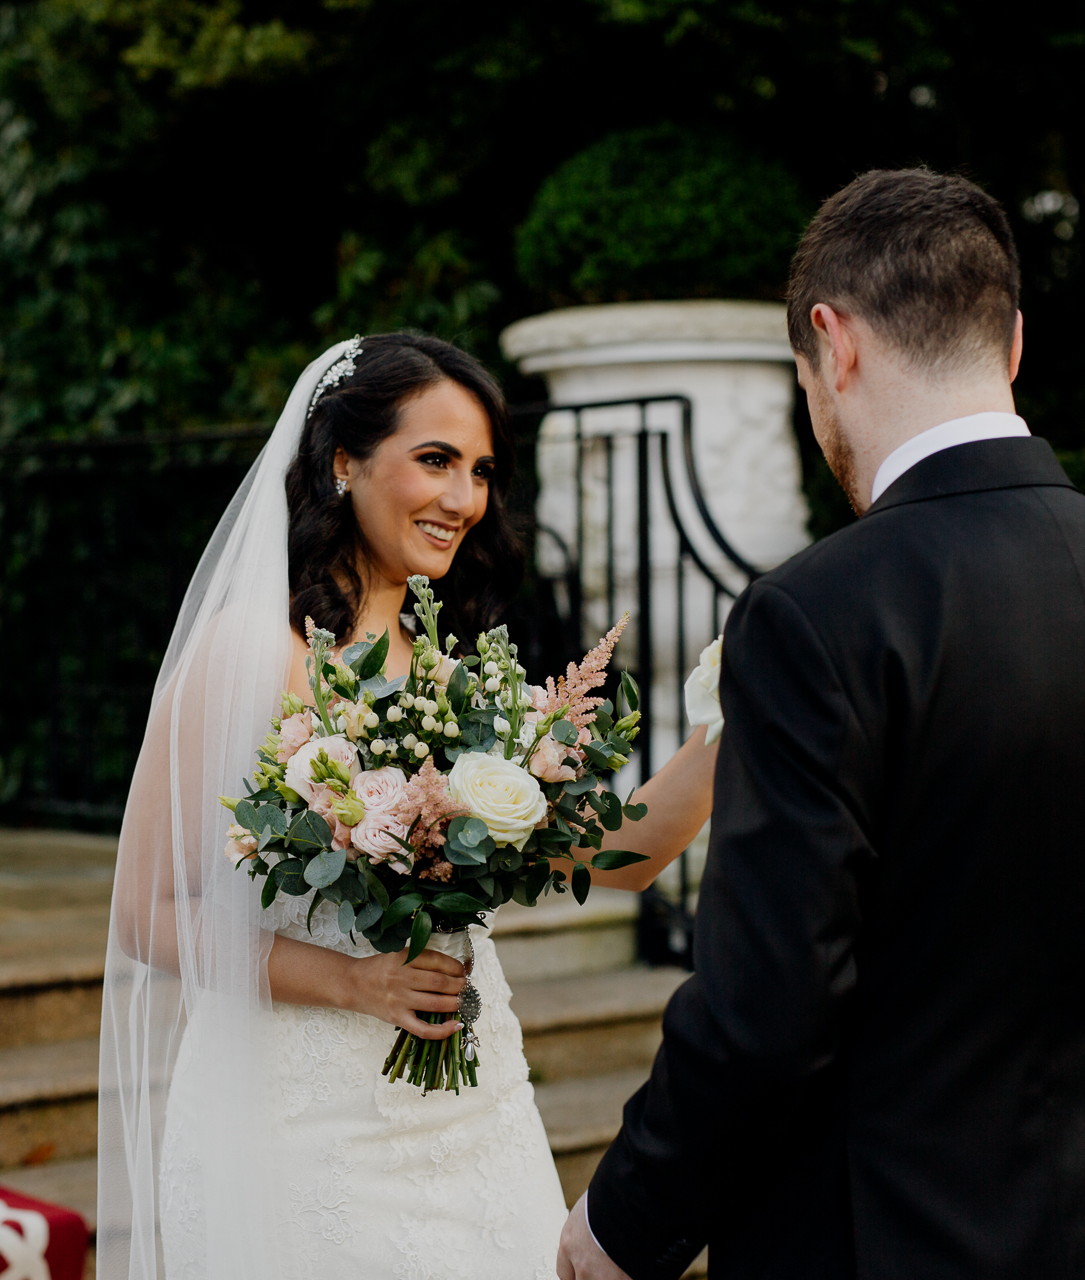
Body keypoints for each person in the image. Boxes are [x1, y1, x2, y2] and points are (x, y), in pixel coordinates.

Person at [557, 169, 1085, 1279]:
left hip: (876, 1230)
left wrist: (625, 1215)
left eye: (804, 376)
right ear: (1012, 344)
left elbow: (769, 1005)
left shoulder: (814, 614)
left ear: (835, 341)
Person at [100, 332, 720, 1279]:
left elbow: (615, 858)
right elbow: (147, 915)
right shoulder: (252, 653)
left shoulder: (456, 676)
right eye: (435, 460)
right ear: (343, 461)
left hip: (477, 1113)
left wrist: (741, 722)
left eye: (479, 471)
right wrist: (357, 981)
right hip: (308, 1133)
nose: (464, 499)